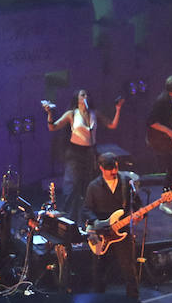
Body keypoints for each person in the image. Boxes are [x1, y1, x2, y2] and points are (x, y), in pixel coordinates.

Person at [44, 89, 123, 221]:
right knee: (73, 185)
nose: (86, 96)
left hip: (90, 152)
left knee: (88, 186)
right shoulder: (72, 114)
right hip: (75, 152)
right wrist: (50, 114)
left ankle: (88, 219)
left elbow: (112, 125)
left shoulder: (94, 113)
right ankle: (69, 218)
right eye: (83, 95)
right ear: (77, 98)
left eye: (87, 94)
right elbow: (53, 127)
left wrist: (118, 109)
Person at [82, 152, 141, 298]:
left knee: (129, 271)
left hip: (123, 232)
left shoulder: (126, 182)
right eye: (109, 169)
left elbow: (138, 204)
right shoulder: (93, 186)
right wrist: (96, 222)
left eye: (115, 167)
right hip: (102, 234)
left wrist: (139, 214)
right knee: (99, 273)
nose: (114, 171)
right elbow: (86, 209)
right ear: (101, 168)